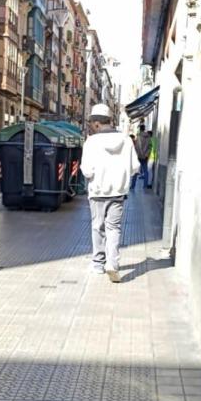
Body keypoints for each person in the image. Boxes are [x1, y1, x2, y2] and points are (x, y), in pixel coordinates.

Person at [80, 104, 138, 283]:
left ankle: (98, 264)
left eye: (92, 123)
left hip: (98, 191)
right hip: (118, 192)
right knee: (114, 228)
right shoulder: (126, 140)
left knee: (98, 226)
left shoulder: (92, 142)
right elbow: (135, 167)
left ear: (97, 124)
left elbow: (87, 171)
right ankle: (112, 263)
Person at [131, 127, 150, 191]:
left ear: (140, 129)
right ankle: (145, 186)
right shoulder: (148, 137)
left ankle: (133, 186)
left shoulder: (139, 136)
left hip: (139, 156)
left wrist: (140, 154)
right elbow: (149, 146)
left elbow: (138, 146)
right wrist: (146, 154)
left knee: (136, 171)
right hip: (146, 156)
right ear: (144, 129)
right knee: (146, 171)